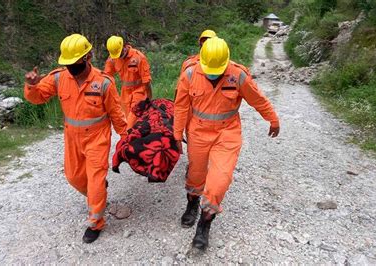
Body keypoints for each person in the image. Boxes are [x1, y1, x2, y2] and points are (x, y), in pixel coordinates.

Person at [173, 37, 280, 250]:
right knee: (196, 175)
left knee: (219, 180)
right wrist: (177, 135)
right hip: (198, 132)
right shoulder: (190, 74)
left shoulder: (238, 75)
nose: (214, 72)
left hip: (227, 133)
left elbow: (257, 99)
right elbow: (181, 106)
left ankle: (204, 224)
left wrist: (273, 119)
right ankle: (192, 203)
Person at [23, 34, 127, 244]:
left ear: (88, 57)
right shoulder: (59, 78)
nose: (71, 66)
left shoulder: (103, 83)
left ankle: (95, 223)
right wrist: (32, 86)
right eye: (68, 62)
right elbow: (38, 98)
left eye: (75, 62)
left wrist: (125, 138)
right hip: (72, 138)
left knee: (96, 181)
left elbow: (116, 113)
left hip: (97, 138)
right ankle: (97, 194)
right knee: (73, 177)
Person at [104, 35, 152, 128]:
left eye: (120, 53)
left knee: (130, 124)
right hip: (125, 94)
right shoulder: (113, 58)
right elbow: (106, 77)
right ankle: (138, 140)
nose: (119, 56)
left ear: (125, 46)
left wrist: (149, 98)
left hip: (140, 92)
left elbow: (146, 81)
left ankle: (129, 139)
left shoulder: (138, 57)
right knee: (132, 122)